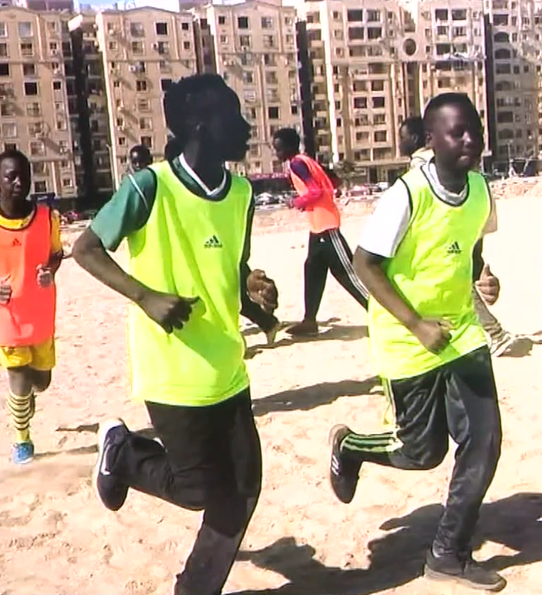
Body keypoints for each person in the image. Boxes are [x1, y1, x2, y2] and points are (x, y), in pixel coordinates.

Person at [72, 74, 276, 595]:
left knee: (244, 487)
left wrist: (254, 292)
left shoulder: (244, 193)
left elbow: (231, 266)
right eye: (236, 115)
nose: (247, 127)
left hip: (228, 366)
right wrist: (146, 296)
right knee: (197, 489)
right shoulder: (149, 186)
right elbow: (87, 249)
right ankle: (122, 451)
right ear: (203, 125)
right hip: (172, 370)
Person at [329, 94, 506, 591]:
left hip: (460, 333)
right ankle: (351, 447)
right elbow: (366, 264)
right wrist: (415, 323)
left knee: (485, 439)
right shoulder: (407, 195)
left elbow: (468, 247)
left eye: (474, 129)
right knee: (420, 452)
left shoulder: (479, 190)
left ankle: (448, 553)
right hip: (405, 338)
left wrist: (484, 277)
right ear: (432, 140)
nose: (470, 139)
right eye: (457, 132)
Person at [399, 116, 517, 358]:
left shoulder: (421, 163)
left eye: (402, 137)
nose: (400, 143)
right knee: (470, 277)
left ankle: (494, 333)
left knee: (461, 280)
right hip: (468, 224)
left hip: (448, 231)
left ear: (415, 138)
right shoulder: (444, 157)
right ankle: (492, 332)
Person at [164, 136, 281, 345]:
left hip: (219, 252)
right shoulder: (170, 188)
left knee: (227, 294)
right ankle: (265, 322)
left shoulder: (227, 189)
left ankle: (256, 327)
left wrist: (240, 257)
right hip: (215, 252)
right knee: (230, 294)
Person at [272, 128, 368, 337]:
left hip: (326, 225)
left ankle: (383, 313)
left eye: (278, 149)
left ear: (289, 147)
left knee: (348, 274)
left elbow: (315, 190)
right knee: (313, 270)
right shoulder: (307, 161)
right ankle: (309, 321)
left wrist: (297, 201)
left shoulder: (297, 164)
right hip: (317, 226)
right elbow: (333, 181)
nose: (277, 153)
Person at [0, 149, 62, 464]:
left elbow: (57, 253)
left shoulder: (45, 216)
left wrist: (49, 269)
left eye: (24, 175)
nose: (19, 182)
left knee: (42, 382)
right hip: (7, 316)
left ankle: (26, 403)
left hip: (40, 312)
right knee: (18, 377)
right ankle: (22, 440)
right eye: (11, 176)